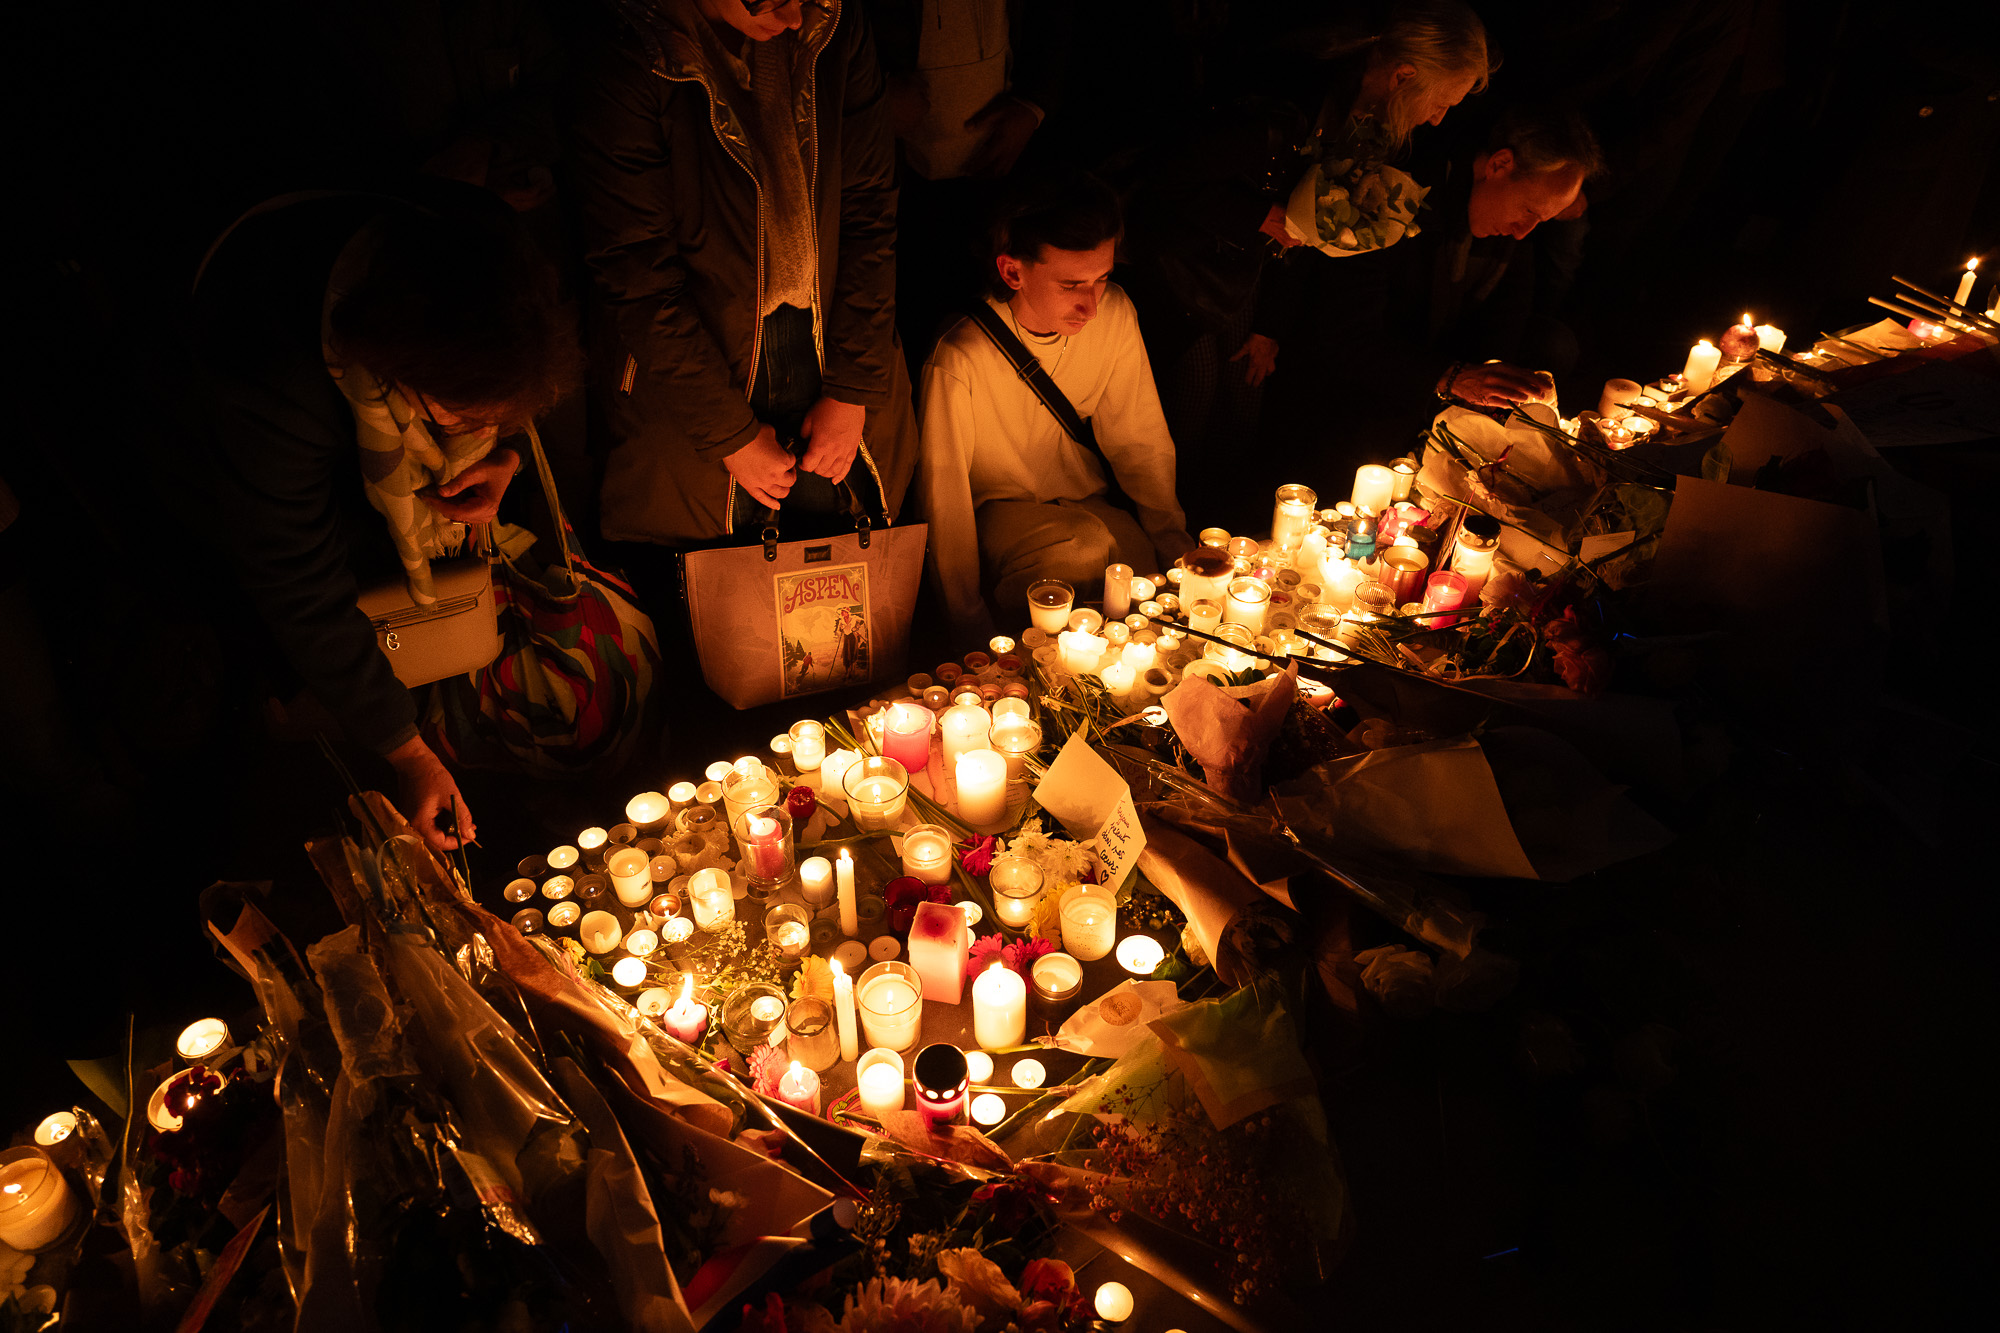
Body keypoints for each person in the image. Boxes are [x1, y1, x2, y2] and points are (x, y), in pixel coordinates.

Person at [188, 184, 580, 851]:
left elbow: (496, 380)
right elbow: (294, 577)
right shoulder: (270, 371)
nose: (479, 429)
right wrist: (408, 752)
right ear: (395, 373)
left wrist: (503, 456)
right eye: (459, 418)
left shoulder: (475, 250)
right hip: (204, 514)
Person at [570, 0, 919, 581]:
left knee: (847, 599)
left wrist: (854, 386)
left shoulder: (830, 20)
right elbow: (636, 274)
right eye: (773, 1)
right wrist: (728, 434)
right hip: (696, 375)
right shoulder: (636, 53)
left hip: (831, 347)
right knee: (726, 612)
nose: (792, 20)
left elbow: (869, 208)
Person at [1121, 0, 1492, 520]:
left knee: (1245, 394)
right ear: (1404, 74)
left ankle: (1220, 522)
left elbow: (1309, 224)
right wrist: (1261, 215)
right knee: (1195, 392)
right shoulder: (1289, 100)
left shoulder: (1369, 122)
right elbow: (1167, 181)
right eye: (1440, 101)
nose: (1438, 118)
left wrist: (1270, 323)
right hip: (1181, 268)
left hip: (1242, 275)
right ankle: (1168, 523)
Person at [919, 175, 1193, 635]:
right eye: (1071, 285)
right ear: (1012, 272)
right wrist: (967, 620)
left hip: (1086, 502)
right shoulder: (960, 355)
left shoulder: (1115, 315)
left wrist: (1173, 547)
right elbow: (942, 497)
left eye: (1101, 279)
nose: (1091, 305)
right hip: (999, 514)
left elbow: (1140, 440)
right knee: (1076, 552)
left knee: (1138, 568)